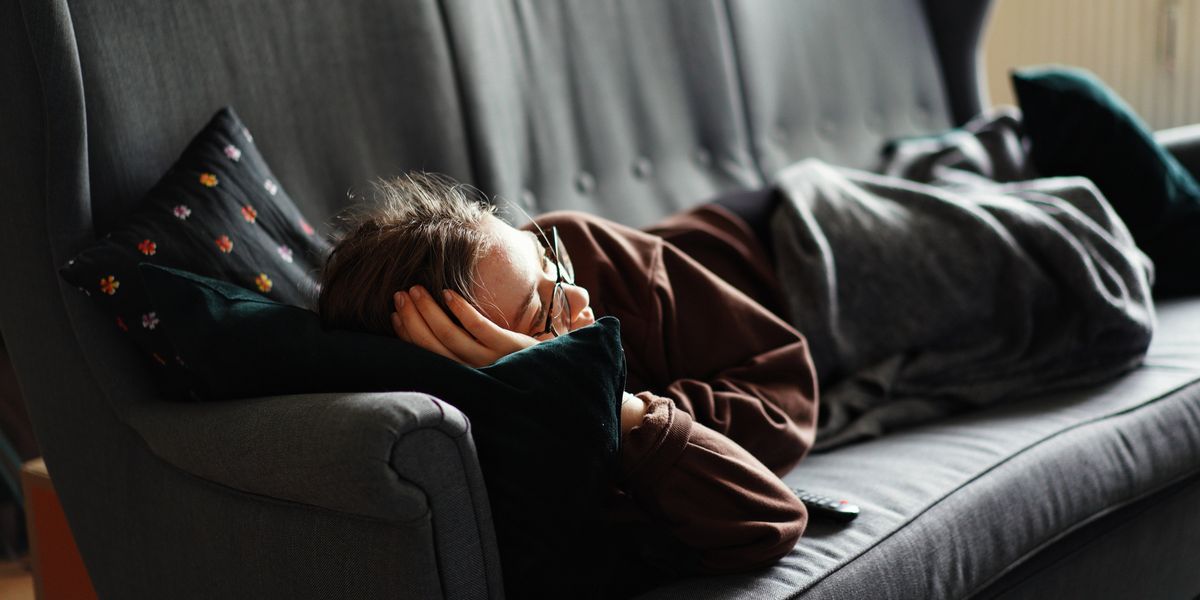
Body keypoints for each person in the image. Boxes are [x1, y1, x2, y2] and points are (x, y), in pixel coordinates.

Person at [318, 173, 818, 581]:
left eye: (547, 260)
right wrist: (604, 401)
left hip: (793, 235)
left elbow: (786, 394)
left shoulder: (582, 247)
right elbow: (770, 518)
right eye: (541, 312)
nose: (576, 297)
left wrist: (631, 410)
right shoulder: (529, 456)